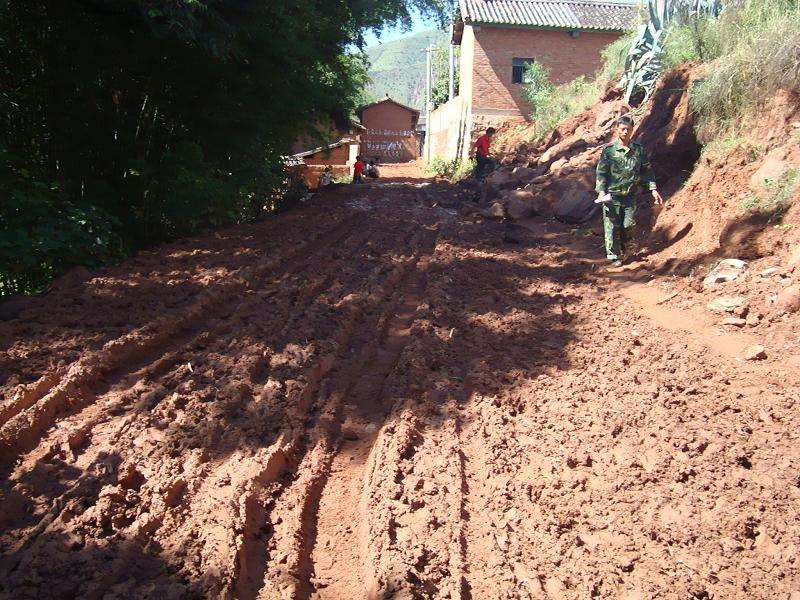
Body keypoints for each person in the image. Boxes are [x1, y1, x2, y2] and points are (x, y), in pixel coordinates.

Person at [595, 115, 663, 267]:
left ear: (632, 130)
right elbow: (601, 172)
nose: (626, 132)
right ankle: (614, 256)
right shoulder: (609, 151)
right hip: (611, 196)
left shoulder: (638, 150)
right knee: (612, 227)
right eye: (623, 129)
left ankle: (625, 250)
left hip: (630, 195)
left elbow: (647, 171)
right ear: (617, 130)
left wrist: (653, 189)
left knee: (628, 225)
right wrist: (600, 191)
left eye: (629, 129)